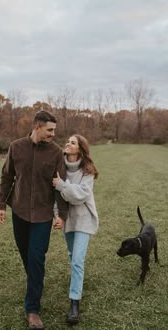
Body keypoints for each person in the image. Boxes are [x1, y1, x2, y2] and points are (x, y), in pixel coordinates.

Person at [0, 110, 68, 330]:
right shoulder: (16, 147)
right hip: (19, 212)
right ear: (37, 127)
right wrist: (0, 206)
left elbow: (60, 186)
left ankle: (33, 309)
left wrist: (61, 214)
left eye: (54, 130)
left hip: (43, 215)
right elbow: (7, 176)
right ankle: (35, 282)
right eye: (50, 130)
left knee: (36, 257)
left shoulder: (56, 153)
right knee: (27, 255)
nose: (53, 134)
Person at [52, 134, 99, 325]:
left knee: (78, 260)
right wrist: (58, 215)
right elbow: (56, 197)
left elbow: (80, 195)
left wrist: (62, 185)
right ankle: (76, 282)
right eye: (68, 141)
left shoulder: (87, 171)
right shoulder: (59, 168)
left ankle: (74, 303)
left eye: (73, 142)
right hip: (68, 220)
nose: (68, 144)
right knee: (73, 256)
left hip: (84, 219)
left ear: (80, 149)